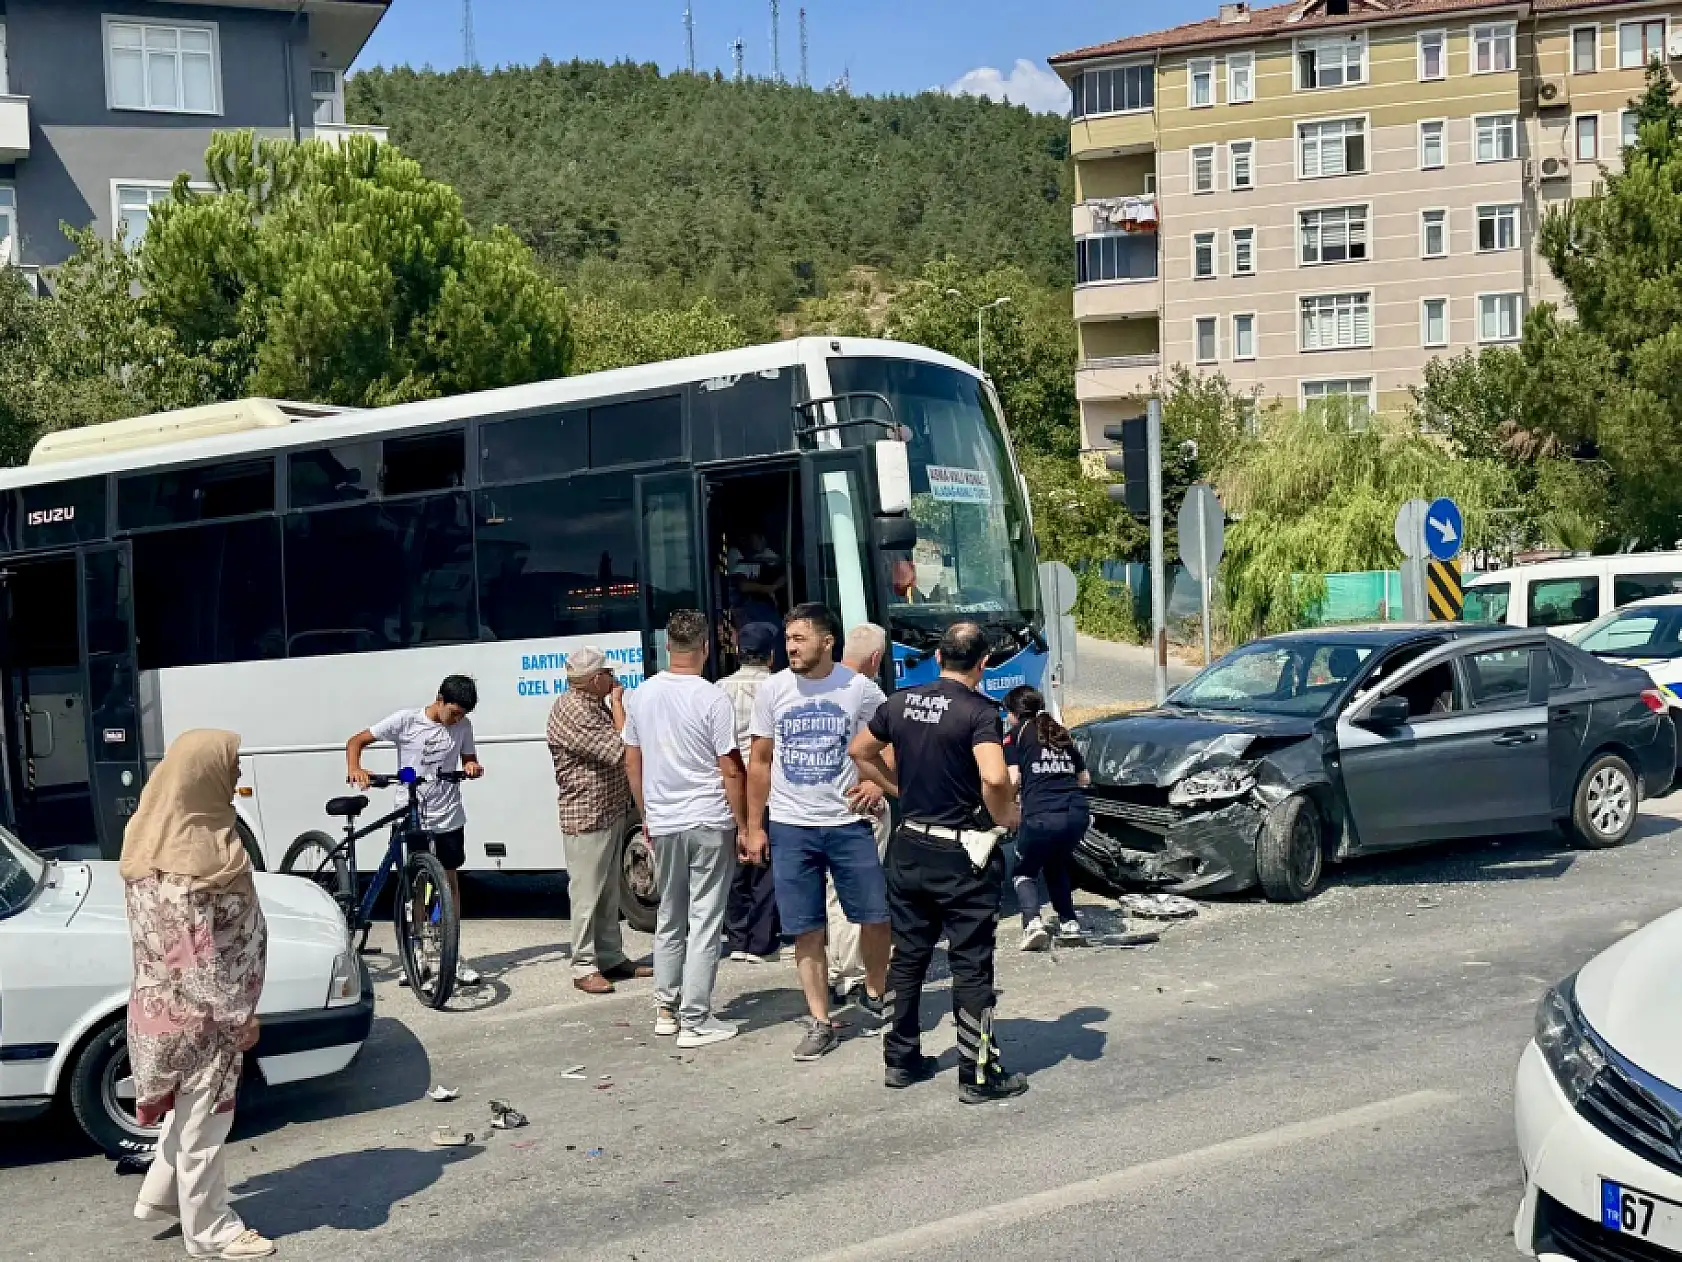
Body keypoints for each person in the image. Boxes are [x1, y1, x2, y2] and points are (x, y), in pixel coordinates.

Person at [850, 621, 1028, 1103]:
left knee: (908, 956)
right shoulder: (979, 712)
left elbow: (860, 750)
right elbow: (994, 777)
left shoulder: (901, 701)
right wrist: (1007, 816)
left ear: (937, 657)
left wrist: (898, 789)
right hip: (961, 853)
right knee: (971, 964)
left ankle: (900, 1060)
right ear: (983, 663)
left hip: (910, 846)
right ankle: (978, 1073)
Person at [122, 730, 275, 1260]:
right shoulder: (184, 867)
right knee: (205, 1121)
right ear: (200, 775)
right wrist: (237, 1017)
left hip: (167, 1009)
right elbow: (191, 961)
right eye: (229, 766)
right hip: (200, 1017)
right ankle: (212, 1231)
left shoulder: (162, 833)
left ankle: (161, 1196)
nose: (237, 775)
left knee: (188, 1112)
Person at [747, 603, 891, 1062]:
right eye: (788, 639)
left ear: (827, 642)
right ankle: (820, 1020)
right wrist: (753, 826)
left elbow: (891, 739)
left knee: (875, 916)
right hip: (792, 826)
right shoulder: (773, 690)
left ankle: (874, 991)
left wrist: (876, 783)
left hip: (848, 823)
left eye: (800, 638)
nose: (790, 647)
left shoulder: (859, 689)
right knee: (805, 929)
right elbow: (760, 761)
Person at [623, 609, 748, 1048]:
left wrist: (647, 816)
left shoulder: (640, 695)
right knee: (705, 920)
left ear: (667, 646)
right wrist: (745, 824)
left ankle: (666, 1009)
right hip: (709, 818)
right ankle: (696, 1019)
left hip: (664, 820)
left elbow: (632, 762)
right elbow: (730, 768)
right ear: (705, 648)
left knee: (669, 916)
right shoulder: (712, 698)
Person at [346, 675, 485, 990]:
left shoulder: (463, 726)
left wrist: (472, 766)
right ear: (440, 699)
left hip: (448, 814)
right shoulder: (406, 720)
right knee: (416, 888)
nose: (458, 720)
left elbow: (469, 758)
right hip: (412, 813)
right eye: (454, 713)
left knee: (449, 884)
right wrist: (356, 768)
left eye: (463, 715)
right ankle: (417, 953)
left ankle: (450, 955)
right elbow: (356, 741)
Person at [547, 647, 652, 995]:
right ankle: (583, 965)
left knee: (609, 892)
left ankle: (610, 956)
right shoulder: (575, 710)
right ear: (595, 680)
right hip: (587, 814)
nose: (614, 678)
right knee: (587, 894)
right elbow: (623, 749)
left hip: (607, 810)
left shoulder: (592, 704)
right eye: (608, 673)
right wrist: (619, 704)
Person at [828, 622, 894, 1002]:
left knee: (832, 892)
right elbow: (891, 742)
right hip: (860, 802)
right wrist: (879, 784)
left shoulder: (820, 685)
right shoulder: (869, 692)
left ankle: (837, 967)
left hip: (823, 806)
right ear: (876, 658)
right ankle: (852, 972)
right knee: (859, 890)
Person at [1003, 685, 1091, 952]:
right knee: (1056, 864)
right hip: (1076, 814)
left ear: (1016, 713)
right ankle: (1069, 923)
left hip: (1041, 815)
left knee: (1024, 871)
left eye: (1008, 712)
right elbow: (1084, 778)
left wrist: (1007, 803)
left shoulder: (1015, 736)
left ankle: (1033, 924)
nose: (1007, 717)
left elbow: (1013, 779)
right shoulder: (1058, 731)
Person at [721, 622, 782, 962]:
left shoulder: (719, 689)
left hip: (729, 787)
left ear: (738, 652)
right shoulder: (780, 688)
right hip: (766, 786)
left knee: (737, 864)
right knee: (765, 865)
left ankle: (737, 937)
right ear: (771, 655)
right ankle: (762, 941)